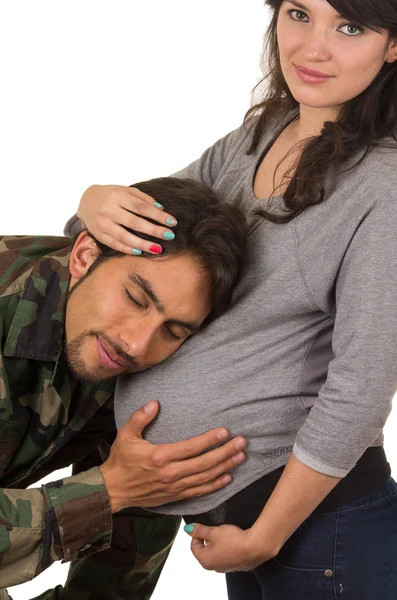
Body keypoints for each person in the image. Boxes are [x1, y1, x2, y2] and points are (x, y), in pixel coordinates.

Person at [68, 0, 397, 598]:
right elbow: (128, 242)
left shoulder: (384, 187)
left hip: (318, 530)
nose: (313, 48)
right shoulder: (259, 136)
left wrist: (268, 534)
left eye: (350, 27)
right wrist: (92, 201)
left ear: (394, 45)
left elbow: (364, 384)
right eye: (299, 14)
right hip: (245, 530)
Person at [0, 177, 249, 598]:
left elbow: (113, 586)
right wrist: (109, 490)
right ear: (84, 254)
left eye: (172, 330)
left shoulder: (141, 371)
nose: (137, 344)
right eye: (135, 298)